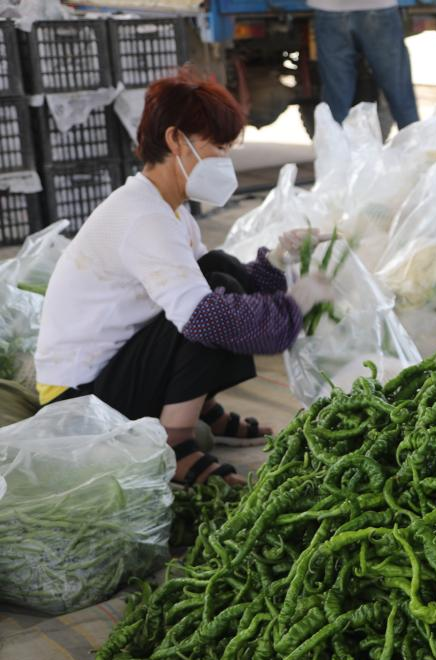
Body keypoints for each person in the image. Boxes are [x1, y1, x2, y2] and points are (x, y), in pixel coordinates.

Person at [34, 70, 333, 487]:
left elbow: (223, 282)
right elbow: (205, 317)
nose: (225, 162)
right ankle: (174, 445)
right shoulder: (143, 218)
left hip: (113, 370)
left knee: (219, 271)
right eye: (218, 148)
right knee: (207, 313)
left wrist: (279, 260)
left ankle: (200, 410)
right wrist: (293, 306)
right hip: (79, 400)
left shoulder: (168, 208)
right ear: (176, 140)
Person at [309, 0, 420, 128]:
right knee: (400, 92)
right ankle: (415, 143)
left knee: (336, 96)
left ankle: (331, 145)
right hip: (379, 7)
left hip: (328, 8)